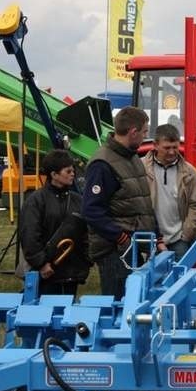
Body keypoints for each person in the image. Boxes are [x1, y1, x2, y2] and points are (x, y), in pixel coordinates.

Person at [82, 106, 166, 300]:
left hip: (134, 247)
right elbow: (91, 210)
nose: (146, 136)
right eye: (145, 131)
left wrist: (157, 237)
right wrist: (121, 238)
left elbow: (142, 203)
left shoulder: (133, 158)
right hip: (115, 252)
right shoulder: (102, 165)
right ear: (133, 132)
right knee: (119, 305)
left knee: (135, 301)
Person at [18, 149, 90, 296]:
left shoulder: (78, 200)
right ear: (54, 175)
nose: (73, 174)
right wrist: (41, 264)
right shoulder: (36, 201)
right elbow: (30, 236)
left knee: (67, 315)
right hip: (46, 273)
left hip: (71, 273)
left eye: (73, 170)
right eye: (68, 171)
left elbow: (86, 233)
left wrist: (86, 260)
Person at [142, 124, 196, 259]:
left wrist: (186, 235)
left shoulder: (189, 173)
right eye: (167, 148)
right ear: (155, 145)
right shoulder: (140, 168)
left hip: (179, 240)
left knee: (179, 277)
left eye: (175, 147)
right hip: (150, 239)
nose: (172, 152)